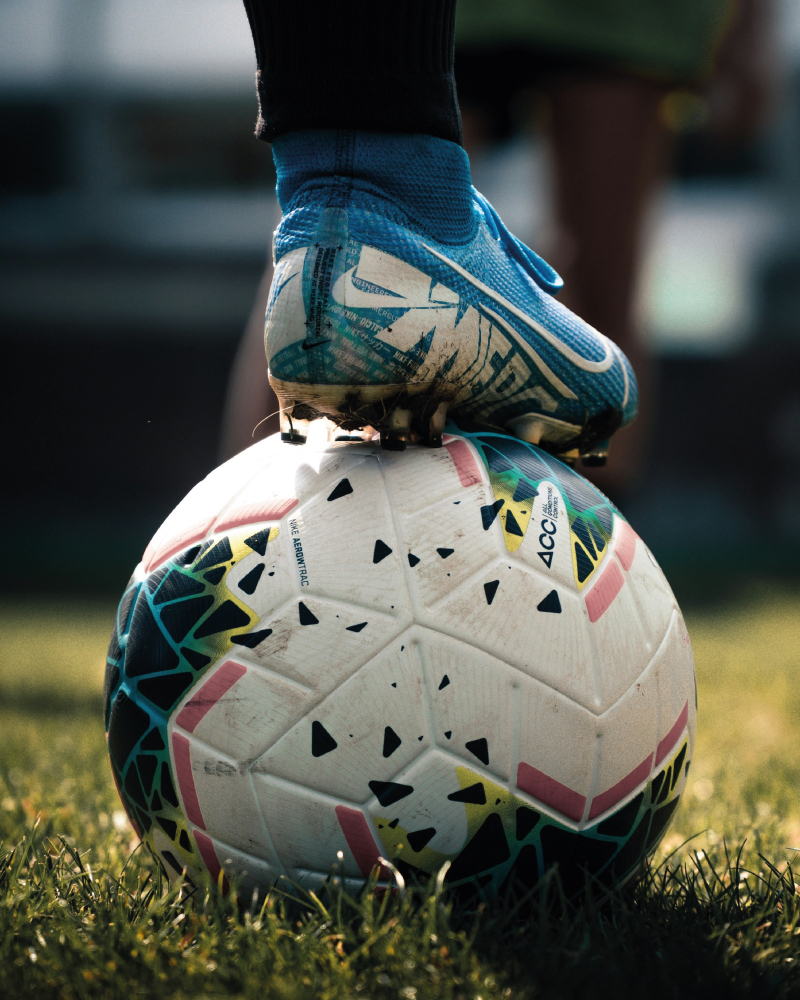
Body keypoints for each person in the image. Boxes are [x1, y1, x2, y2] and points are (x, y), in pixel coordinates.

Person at [222, 0, 766, 496]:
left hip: (620, 21)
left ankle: (588, 545)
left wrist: (752, 27)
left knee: (331, 246)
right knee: (347, 233)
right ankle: (255, 521)